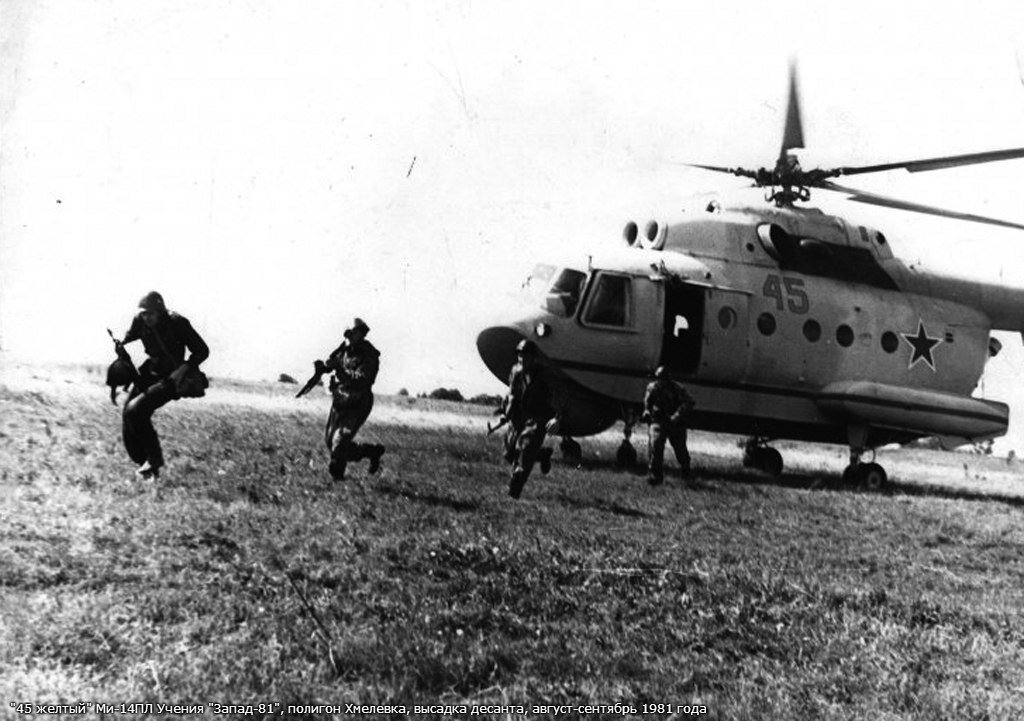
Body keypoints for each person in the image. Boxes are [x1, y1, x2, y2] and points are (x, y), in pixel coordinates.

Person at [118, 291, 209, 479]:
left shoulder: (177, 322)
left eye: (151, 313)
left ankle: (153, 460)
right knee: (128, 416)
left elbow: (202, 350)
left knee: (136, 411)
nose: (147, 318)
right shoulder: (140, 320)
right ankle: (145, 467)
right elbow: (130, 336)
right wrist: (121, 343)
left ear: (160, 312)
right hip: (150, 372)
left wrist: (183, 369)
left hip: (172, 378)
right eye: (144, 314)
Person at [320, 318, 385, 481]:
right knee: (330, 443)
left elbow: (362, 380)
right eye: (347, 333)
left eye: (352, 333)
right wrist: (327, 370)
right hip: (341, 399)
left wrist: (340, 371)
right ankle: (370, 451)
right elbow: (334, 367)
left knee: (339, 442)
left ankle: (338, 479)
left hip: (358, 402)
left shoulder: (369, 354)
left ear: (362, 333)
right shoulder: (344, 351)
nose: (348, 336)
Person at [503, 339, 555, 499]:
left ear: (534, 357)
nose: (522, 359)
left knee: (525, 454)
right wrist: (506, 411)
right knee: (509, 453)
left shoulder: (545, 374)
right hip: (519, 414)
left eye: (526, 355)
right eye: (520, 355)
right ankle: (542, 454)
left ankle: (514, 492)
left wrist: (557, 417)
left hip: (538, 417)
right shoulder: (516, 370)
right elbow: (512, 392)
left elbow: (558, 396)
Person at [643, 365, 695, 486]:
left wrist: (677, 415)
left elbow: (689, 402)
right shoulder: (652, 387)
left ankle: (685, 469)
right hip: (658, 420)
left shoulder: (677, 388)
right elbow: (648, 402)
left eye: (663, 378)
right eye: (659, 378)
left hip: (675, 423)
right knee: (656, 444)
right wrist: (646, 411)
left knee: (680, 448)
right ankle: (655, 475)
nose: (660, 381)